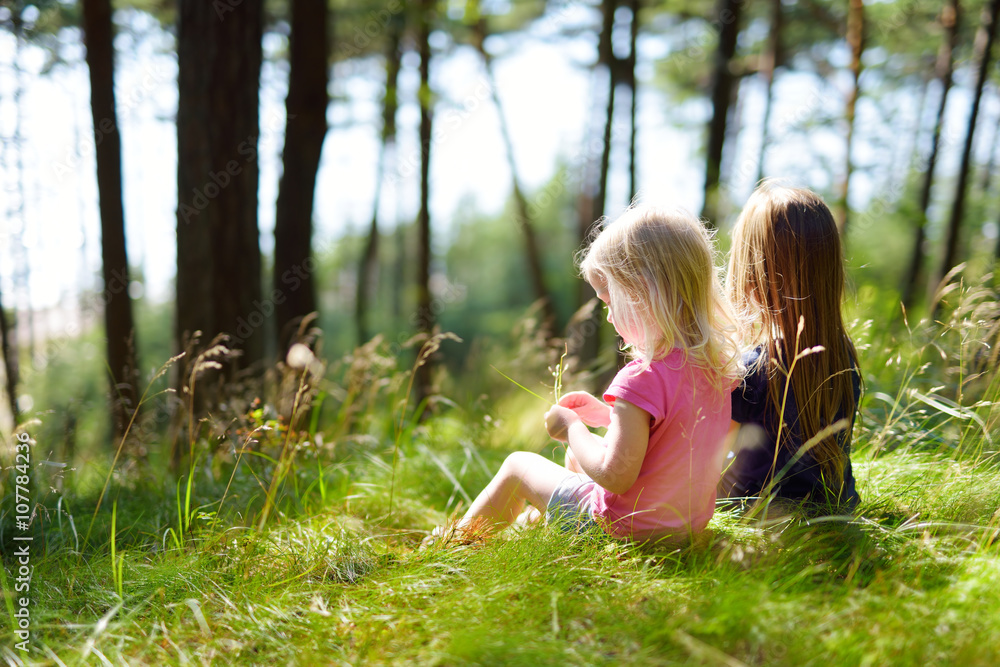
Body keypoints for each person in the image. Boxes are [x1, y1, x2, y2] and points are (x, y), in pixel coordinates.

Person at [438, 204, 741, 544]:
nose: (609, 317)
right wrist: (603, 415)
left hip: (620, 530)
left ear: (640, 294)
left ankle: (458, 543)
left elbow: (615, 475)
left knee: (518, 464)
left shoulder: (640, 377)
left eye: (610, 302)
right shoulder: (714, 371)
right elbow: (666, 439)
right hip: (683, 531)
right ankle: (534, 527)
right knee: (575, 458)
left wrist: (572, 428)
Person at [719, 182, 862, 510]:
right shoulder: (842, 356)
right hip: (836, 513)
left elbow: (710, 464)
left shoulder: (751, 368)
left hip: (763, 525)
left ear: (752, 273)